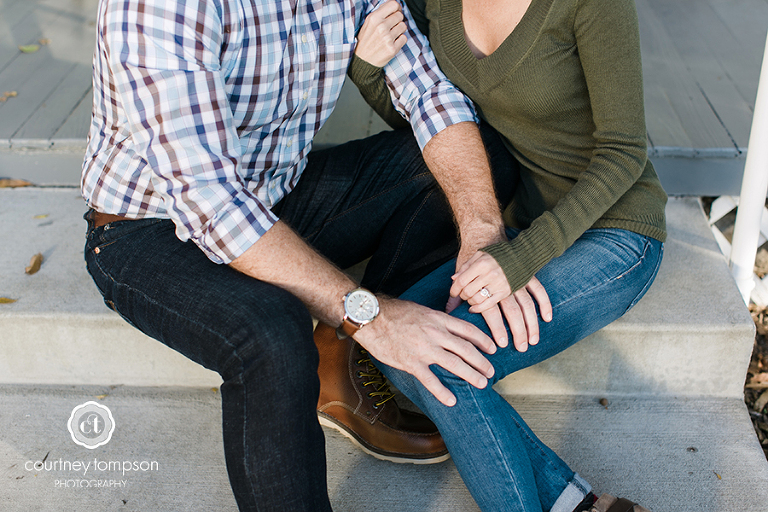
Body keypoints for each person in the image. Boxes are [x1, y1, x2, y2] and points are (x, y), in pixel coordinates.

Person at [80, 0, 523, 509]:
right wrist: (375, 317)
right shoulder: (159, 7)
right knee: (273, 334)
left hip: (276, 194)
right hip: (147, 227)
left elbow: (428, 94)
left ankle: (341, 365)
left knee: (478, 166)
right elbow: (213, 203)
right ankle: (352, 338)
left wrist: (484, 233)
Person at [341, 0, 668, 510]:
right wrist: (367, 67)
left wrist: (520, 260)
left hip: (614, 232)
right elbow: (436, 118)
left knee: (446, 361)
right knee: (404, 336)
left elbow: (625, 151)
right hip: (518, 226)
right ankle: (574, 502)